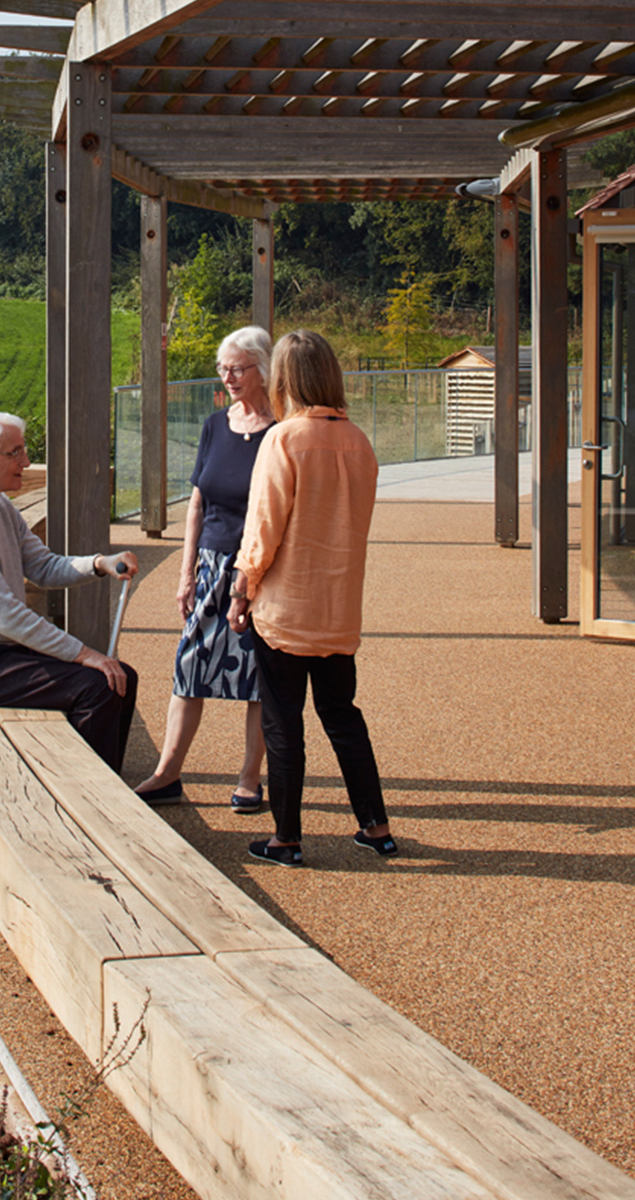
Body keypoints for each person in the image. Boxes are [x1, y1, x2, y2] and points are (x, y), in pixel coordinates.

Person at [226, 330, 396, 865]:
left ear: (283, 379)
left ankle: (287, 837)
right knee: (343, 716)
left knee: (283, 723)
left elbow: (262, 530)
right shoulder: (359, 442)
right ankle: (376, 825)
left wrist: (241, 591)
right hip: (338, 608)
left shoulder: (285, 439)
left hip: (284, 610)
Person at [0, 409, 140, 774]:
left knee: (121, 679)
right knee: (97, 687)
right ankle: (88, 798)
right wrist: (84, 654)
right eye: (16, 452)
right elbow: (4, 614)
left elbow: (42, 567)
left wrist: (99, 563)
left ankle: (109, 789)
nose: (27, 461)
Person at [133, 326, 274, 811]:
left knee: (259, 675)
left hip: (260, 569)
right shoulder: (215, 425)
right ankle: (168, 773)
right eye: (223, 368)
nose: (228, 376)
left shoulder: (281, 432)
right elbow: (196, 503)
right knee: (189, 665)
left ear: (263, 368)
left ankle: (250, 778)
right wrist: (186, 572)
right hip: (212, 564)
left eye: (237, 367)